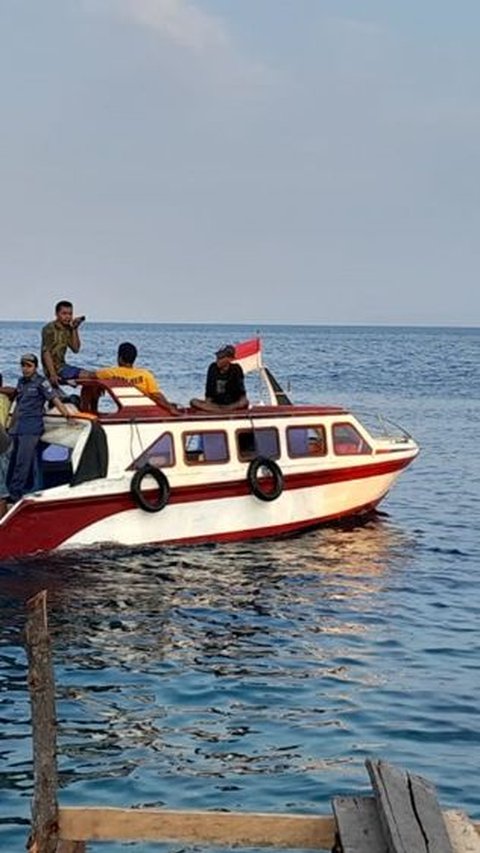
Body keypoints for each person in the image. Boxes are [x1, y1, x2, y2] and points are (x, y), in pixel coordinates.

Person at [7, 353, 72, 503]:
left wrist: (67, 415)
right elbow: (18, 404)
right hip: (18, 427)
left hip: (32, 428)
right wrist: (10, 424)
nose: (25, 369)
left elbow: (54, 399)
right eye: (23, 365)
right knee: (14, 461)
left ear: (35, 367)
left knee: (24, 462)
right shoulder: (21, 382)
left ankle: (16, 495)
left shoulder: (41, 383)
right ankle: (12, 490)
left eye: (29, 366)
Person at [95, 342, 179, 413]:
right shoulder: (145, 374)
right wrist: (171, 408)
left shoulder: (109, 373)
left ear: (120, 358)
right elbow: (156, 396)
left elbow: (89, 375)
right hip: (145, 411)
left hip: (125, 411)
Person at [41, 300, 92, 386]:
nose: (67, 317)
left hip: (63, 366)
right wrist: (53, 374)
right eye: (64, 314)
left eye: (70, 314)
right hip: (55, 370)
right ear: (57, 314)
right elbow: (46, 353)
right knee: (91, 376)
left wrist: (74, 329)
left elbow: (76, 349)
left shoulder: (68, 329)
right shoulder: (49, 328)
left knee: (90, 380)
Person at [190, 344, 249, 413]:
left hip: (231, 404)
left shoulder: (236, 369)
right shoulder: (212, 368)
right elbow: (209, 391)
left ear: (230, 359)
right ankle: (221, 411)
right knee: (193, 401)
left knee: (244, 402)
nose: (218, 360)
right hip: (216, 404)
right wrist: (207, 403)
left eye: (221, 357)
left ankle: (220, 411)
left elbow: (241, 392)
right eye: (217, 357)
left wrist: (240, 402)